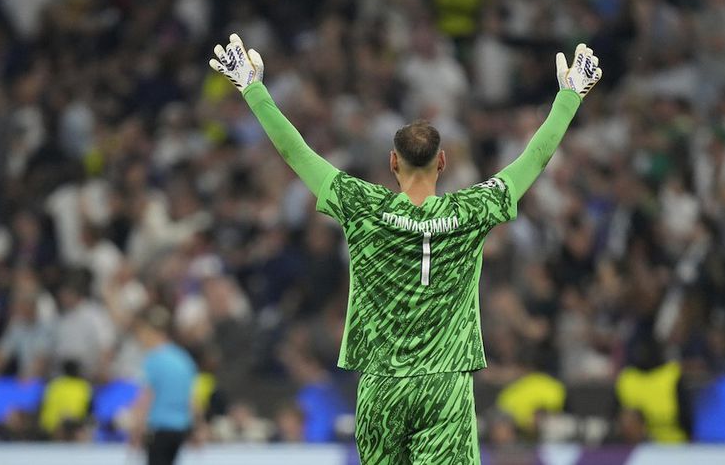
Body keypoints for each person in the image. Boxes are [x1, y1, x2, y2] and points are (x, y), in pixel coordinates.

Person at [210, 33, 601, 464]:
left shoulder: (363, 207)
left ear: (393, 162)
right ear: (443, 162)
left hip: (381, 384)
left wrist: (252, 88)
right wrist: (570, 96)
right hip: (444, 385)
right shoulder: (472, 210)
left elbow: (295, 152)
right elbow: (535, 158)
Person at [130, 305, 198, 465]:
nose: (140, 338)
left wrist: (136, 429)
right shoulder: (183, 359)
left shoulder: (153, 360)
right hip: (179, 428)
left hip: (158, 428)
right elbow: (191, 397)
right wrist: (197, 427)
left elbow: (147, 397)